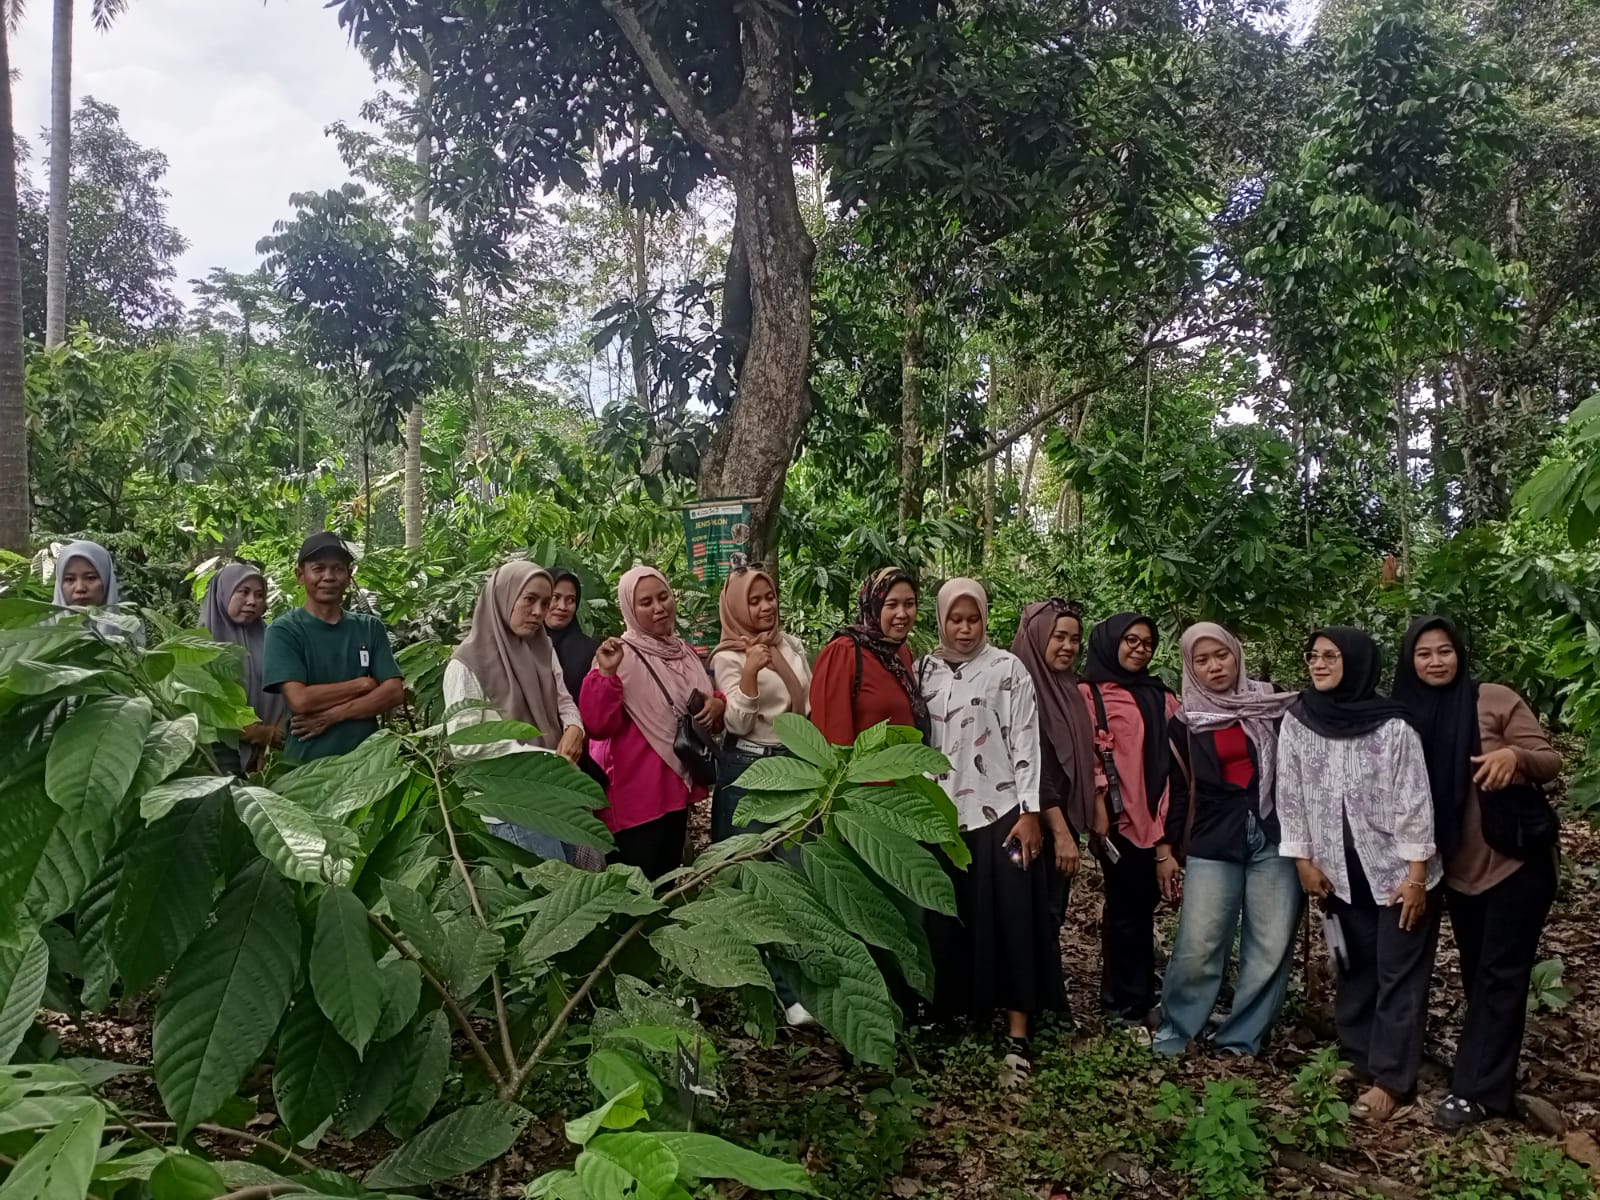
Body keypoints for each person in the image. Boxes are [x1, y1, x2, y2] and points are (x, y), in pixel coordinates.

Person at [1392, 617, 1563, 1131]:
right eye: (1424, 653)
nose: (1436, 661)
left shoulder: (1494, 699)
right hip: (1456, 868)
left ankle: (1477, 1091)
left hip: (1515, 861)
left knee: (1500, 972)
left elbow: (1549, 760)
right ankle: (1487, 1060)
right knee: (1478, 971)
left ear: (1460, 654)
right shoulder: (1402, 715)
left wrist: (1514, 756)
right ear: (1410, 661)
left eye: (1445, 651)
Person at [1277, 626, 1441, 1123]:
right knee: (1353, 964)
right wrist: (1303, 860)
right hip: (1337, 869)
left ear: (1356, 661)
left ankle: (1391, 1080)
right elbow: (1290, 793)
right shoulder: (1299, 720)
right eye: (1313, 655)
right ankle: (1357, 1056)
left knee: (1398, 971)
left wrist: (1417, 875)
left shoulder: (1393, 727)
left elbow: (1414, 801)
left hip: (1397, 870)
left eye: (1331, 656)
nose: (1318, 664)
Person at [920, 579, 1062, 1063]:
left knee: (1012, 917)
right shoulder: (925, 669)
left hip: (1000, 812)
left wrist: (1029, 812)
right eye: (955, 619)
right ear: (941, 620)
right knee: (950, 919)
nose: (964, 629)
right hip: (941, 816)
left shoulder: (1007, 669)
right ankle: (955, 1016)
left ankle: (1017, 1034)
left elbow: (1026, 741)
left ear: (985, 619)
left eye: (973, 619)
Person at [1154, 622, 1301, 1057]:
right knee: (1199, 942)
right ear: (1190, 666)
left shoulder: (1273, 703)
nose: (1215, 666)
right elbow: (1178, 790)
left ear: (1237, 655)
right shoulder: (1185, 723)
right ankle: (1177, 1031)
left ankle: (1241, 1039)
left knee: (1270, 945)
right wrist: (1166, 849)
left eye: (1222, 655)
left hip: (1275, 834)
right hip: (1214, 837)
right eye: (1202, 660)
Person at [581, 565, 726, 878]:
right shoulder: (619, 655)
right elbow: (598, 725)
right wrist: (605, 674)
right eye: (646, 603)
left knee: (665, 882)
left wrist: (717, 703)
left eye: (663, 597)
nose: (659, 608)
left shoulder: (683, 652)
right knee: (635, 889)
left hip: (676, 788)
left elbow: (701, 699)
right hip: (636, 798)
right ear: (630, 610)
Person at [445, 561, 588, 862]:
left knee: (575, 881)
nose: (538, 612)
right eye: (529, 600)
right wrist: (541, 758)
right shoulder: (466, 663)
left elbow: (562, 699)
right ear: (503, 597)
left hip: (556, 796)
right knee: (550, 888)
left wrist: (574, 727)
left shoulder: (542, 648)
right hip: (511, 805)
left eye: (544, 603)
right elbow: (464, 743)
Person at [1078, 612, 1181, 1025]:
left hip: (1158, 813)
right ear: (1110, 642)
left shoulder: (1160, 696)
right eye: (1131, 640)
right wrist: (1098, 807)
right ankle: (1121, 1001)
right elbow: (1087, 752)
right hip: (1118, 819)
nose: (1140, 649)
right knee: (1124, 906)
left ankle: (1141, 992)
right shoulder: (1089, 694)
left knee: (1144, 905)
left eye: (1147, 643)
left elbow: (1179, 751)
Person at [262, 532, 405, 763]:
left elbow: (394, 692)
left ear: (349, 576)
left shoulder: (370, 628)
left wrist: (331, 716)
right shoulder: (284, 631)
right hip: (306, 766)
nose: (328, 576)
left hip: (367, 764)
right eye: (318, 568)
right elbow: (300, 700)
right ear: (300, 575)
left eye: (337, 569)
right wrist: (363, 684)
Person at [708, 565, 812, 841]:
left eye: (770, 597)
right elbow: (737, 724)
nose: (767, 607)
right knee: (747, 856)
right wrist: (750, 672)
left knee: (797, 854)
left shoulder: (790, 645)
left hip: (796, 760)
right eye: (754, 601)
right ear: (736, 608)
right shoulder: (728, 657)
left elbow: (809, 701)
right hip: (750, 764)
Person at [1009, 599, 1092, 921]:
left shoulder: (1068, 688)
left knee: (1051, 916)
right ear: (1038, 636)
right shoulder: (1016, 686)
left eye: (1074, 639)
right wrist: (1060, 833)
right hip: (1028, 822)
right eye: (1059, 637)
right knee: (1029, 918)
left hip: (1062, 819)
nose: (1068, 646)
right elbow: (1032, 765)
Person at [810, 567, 929, 745]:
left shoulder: (901, 653)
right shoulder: (843, 652)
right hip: (866, 763)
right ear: (873, 605)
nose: (902, 614)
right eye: (892, 605)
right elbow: (830, 734)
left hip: (907, 762)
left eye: (909, 604)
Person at [199, 563, 286, 774]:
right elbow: (203, 706)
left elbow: (288, 687)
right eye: (243, 592)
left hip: (273, 756)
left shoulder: (272, 639)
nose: (252, 601)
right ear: (223, 593)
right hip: (219, 755)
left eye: (259, 595)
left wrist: (278, 734)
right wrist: (261, 734)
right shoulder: (199, 645)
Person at [52, 539, 142, 643]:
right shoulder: (40, 625)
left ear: (107, 580)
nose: (80, 588)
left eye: (91, 578)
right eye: (70, 579)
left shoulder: (128, 628)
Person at [547, 569, 599, 706]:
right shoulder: (521, 645)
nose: (562, 607)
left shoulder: (591, 651)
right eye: (555, 597)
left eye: (570, 600)